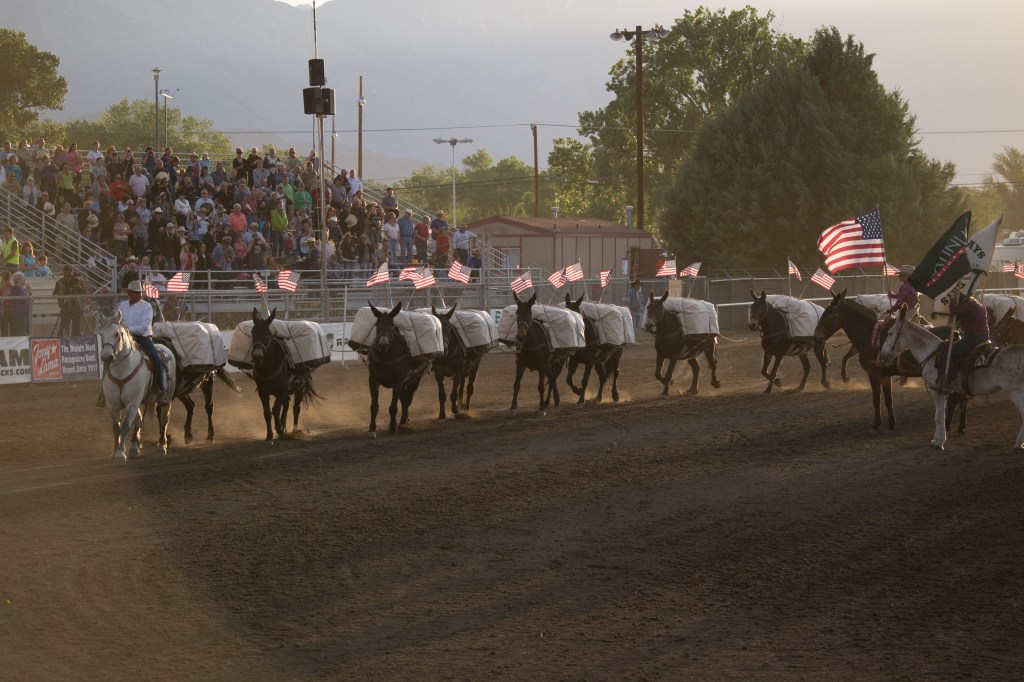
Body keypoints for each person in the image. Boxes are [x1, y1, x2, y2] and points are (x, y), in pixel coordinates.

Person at [118, 280, 169, 405]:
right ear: (129, 293)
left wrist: (127, 329)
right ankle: (105, 390)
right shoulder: (122, 306)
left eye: (140, 293)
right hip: (125, 338)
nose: (139, 295)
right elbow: (119, 322)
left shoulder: (146, 306)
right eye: (136, 293)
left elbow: (144, 328)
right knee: (110, 357)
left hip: (143, 339)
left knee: (156, 360)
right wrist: (125, 330)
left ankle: (160, 390)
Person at [938, 288, 990, 391]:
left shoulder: (968, 306)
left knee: (947, 353)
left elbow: (954, 310)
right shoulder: (979, 305)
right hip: (985, 335)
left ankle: (947, 380)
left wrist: (952, 299)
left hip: (974, 337)